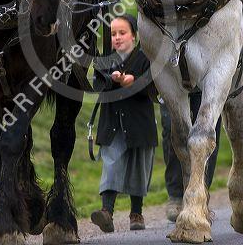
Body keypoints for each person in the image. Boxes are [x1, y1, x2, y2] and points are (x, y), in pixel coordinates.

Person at [90, 14, 158, 233]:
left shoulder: (145, 57)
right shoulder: (105, 59)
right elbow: (97, 85)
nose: (117, 38)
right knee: (111, 163)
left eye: (122, 33)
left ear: (134, 35)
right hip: (112, 123)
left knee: (139, 166)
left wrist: (133, 82)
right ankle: (106, 212)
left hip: (140, 123)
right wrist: (113, 79)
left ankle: (136, 213)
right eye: (113, 34)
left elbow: (153, 87)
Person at [160, 92, 221, 222]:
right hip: (172, 75)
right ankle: (175, 194)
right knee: (171, 127)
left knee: (207, 132)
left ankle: (201, 192)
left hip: (206, 81)